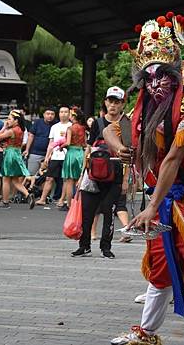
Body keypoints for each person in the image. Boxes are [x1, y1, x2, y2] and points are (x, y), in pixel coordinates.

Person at [106, 15, 184, 345]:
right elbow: (113, 131)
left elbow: (174, 159)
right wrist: (122, 149)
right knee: (161, 272)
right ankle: (146, 334)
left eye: (162, 74)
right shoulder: (144, 107)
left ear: (174, 73)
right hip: (162, 203)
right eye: (148, 76)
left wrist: (150, 206)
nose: (155, 82)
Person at [72, 87, 127, 259]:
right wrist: (82, 175)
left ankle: (106, 247)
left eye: (116, 102)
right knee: (87, 212)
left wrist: (126, 180)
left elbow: (129, 154)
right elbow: (88, 149)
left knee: (109, 212)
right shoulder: (97, 123)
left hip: (115, 174)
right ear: (105, 102)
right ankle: (84, 245)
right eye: (110, 101)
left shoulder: (126, 124)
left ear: (122, 104)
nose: (113, 105)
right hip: (93, 174)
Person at [0, 110, 35, 210]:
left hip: (10, 154)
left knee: (6, 179)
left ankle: (5, 202)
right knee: (15, 180)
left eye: (9, 119)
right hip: (17, 153)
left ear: (16, 121)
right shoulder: (21, 130)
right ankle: (28, 195)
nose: (7, 121)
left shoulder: (11, 131)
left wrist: (4, 127)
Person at [36, 106, 71, 207]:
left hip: (67, 156)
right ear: (58, 114)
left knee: (65, 179)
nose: (63, 114)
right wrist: (47, 156)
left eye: (65, 112)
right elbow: (51, 143)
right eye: (61, 112)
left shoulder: (71, 126)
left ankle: (61, 199)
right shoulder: (54, 127)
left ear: (69, 114)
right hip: (55, 156)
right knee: (49, 178)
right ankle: (42, 199)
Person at [61, 109, 87, 209]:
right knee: (79, 180)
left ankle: (69, 204)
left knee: (69, 181)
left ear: (74, 117)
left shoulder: (70, 128)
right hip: (80, 153)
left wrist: (60, 146)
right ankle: (79, 204)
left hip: (71, 154)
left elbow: (67, 143)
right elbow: (85, 143)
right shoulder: (83, 128)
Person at [24, 107, 55, 187]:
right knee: (31, 175)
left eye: (52, 114)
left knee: (44, 177)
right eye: (48, 114)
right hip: (35, 152)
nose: (50, 116)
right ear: (44, 114)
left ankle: (41, 196)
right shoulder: (38, 122)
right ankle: (27, 194)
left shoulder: (56, 124)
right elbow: (31, 135)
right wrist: (27, 149)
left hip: (48, 155)